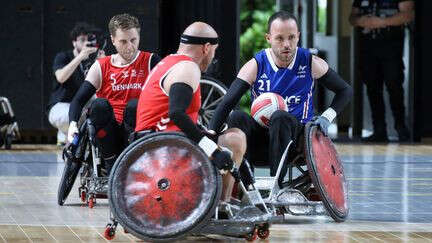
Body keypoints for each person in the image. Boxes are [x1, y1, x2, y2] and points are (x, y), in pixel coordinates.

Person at [209, 11, 353, 187]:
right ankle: (246, 185)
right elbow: (227, 103)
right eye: (279, 38)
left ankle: (275, 186)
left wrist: (326, 117)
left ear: (298, 37)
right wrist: (207, 139)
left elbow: (345, 90)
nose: (287, 44)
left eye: (292, 37)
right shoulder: (256, 64)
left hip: (296, 143)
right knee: (237, 117)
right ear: (268, 38)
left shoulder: (309, 62)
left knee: (280, 116)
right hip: (261, 142)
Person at [135, 22, 246, 203]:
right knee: (235, 140)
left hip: (154, 141)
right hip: (164, 147)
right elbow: (176, 114)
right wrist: (214, 151)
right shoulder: (188, 67)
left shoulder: (168, 62)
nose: (213, 56)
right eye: (214, 51)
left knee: (226, 136)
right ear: (206, 48)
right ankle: (221, 205)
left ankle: (219, 202)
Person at [67, 13, 161, 174]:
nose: (130, 46)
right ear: (113, 40)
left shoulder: (152, 61)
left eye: (134, 40)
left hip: (136, 129)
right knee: (98, 105)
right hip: (107, 130)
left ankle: (130, 160)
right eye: (123, 41)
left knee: (134, 105)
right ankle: (110, 164)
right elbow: (78, 100)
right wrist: (73, 124)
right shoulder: (101, 66)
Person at [349, 0, 414, 142]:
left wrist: (382, 22)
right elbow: (352, 18)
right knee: (372, 88)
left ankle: (401, 127)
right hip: (368, 47)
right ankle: (379, 130)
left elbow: (408, 15)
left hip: (391, 46)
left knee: (394, 86)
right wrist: (361, 20)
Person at [47, 22, 105, 146]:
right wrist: (80, 57)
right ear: (74, 42)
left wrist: (103, 64)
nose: (85, 43)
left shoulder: (95, 60)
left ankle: (74, 138)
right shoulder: (63, 57)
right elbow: (61, 77)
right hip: (61, 105)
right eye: (82, 39)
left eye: (88, 39)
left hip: (84, 105)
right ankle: (65, 132)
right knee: (77, 116)